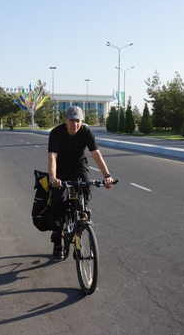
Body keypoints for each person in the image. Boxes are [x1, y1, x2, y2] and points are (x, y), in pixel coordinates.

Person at [47, 105, 114, 259]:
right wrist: (53, 178)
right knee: (59, 201)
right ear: (66, 120)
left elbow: (96, 154)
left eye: (78, 121)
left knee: (85, 188)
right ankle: (57, 242)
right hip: (61, 167)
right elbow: (52, 157)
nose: (75, 124)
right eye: (72, 120)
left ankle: (80, 227)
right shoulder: (56, 133)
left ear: (82, 121)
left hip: (79, 164)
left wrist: (107, 176)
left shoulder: (86, 132)